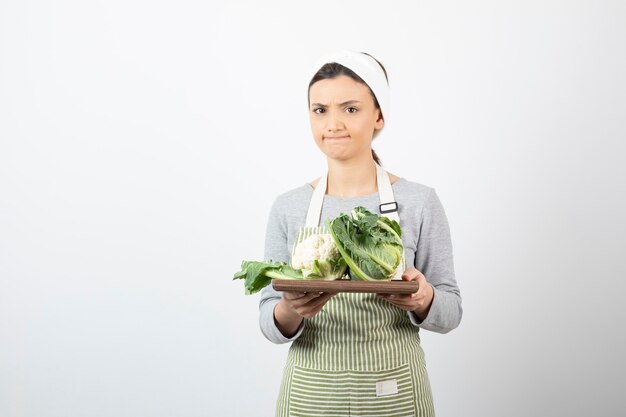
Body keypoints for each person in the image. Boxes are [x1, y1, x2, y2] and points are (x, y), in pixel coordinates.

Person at [258, 50, 462, 417]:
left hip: (394, 390)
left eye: (350, 109)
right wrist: (289, 310)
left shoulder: (418, 201)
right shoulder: (288, 207)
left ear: (378, 116)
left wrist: (424, 297)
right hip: (311, 394)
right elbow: (268, 321)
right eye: (320, 109)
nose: (333, 123)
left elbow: (451, 312)